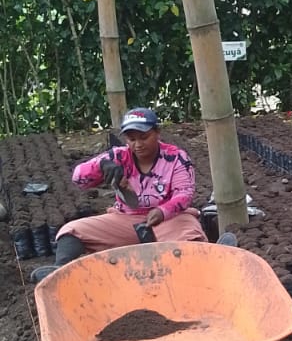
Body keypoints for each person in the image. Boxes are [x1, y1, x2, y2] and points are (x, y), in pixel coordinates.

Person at [31, 106, 206, 281]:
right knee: (72, 230)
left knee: (189, 234)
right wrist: (101, 166)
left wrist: (162, 211)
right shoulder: (119, 156)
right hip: (126, 219)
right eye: (132, 139)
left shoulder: (176, 157)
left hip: (168, 219)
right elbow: (78, 178)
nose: (138, 145)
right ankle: (59, 272)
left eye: (144, 137)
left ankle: (200, 269)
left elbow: (184, 194)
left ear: (157, 132)